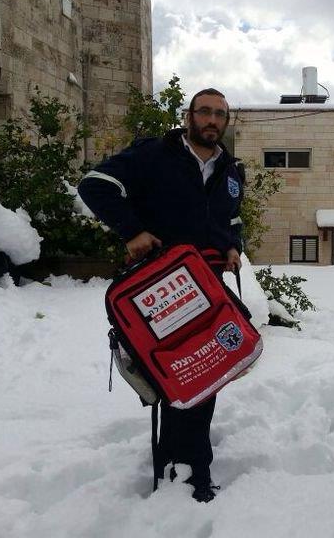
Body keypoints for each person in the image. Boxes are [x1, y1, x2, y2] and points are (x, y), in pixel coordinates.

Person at [78, 88, 243, 503]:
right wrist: (132, 231)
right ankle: (188, 472)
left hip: (208, 286)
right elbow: (94, 186)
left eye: (219, 114)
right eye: (204, 112)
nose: (212, 120)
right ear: (189, 116)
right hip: (163, 287)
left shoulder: (230, 168)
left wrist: (232, 246)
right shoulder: (154, 155)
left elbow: (232, 217)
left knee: (205, 373)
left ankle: (179, 460)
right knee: (178, 373)